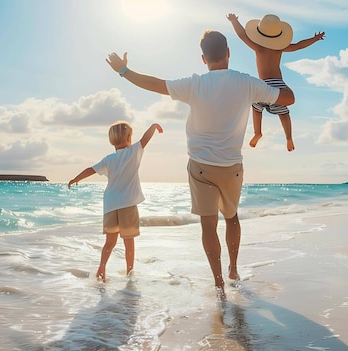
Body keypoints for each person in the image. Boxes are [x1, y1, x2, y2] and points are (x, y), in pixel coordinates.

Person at [106, 29, 295, 297]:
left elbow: (156, 84)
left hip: (200, 166)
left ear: (204, 59)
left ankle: (218, 284)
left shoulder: (194, 84)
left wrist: (124, 71)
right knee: (231, 218)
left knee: (208, 225)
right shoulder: (247, 83)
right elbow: (289, 99)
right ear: (228, 54)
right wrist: (275, 80)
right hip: (232, 167)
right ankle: (233, 269)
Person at [68, 121, 163, 283]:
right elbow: (145, 139)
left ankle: (101, 269)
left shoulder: (108, 159)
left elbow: (91, 169)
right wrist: (153, 126)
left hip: (110, 205)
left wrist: (76, 178)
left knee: (110, 242)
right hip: (127, 204)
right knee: (129, 241)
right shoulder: (133, 152)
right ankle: (130, 273)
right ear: (128, 137)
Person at [227, 13, 325, 150]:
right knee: (283, 112)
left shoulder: (258, 47)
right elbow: (299, 46)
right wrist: (314, 39)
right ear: (278, 36)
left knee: (256, 107)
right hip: (278, 84)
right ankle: (289, 137)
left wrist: (234, 21)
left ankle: (257, 132)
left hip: (263, 85)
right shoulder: (280, 48)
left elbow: (242, 35)